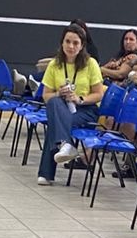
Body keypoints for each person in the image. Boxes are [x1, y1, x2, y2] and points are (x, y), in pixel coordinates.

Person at [37, 25, 105, 182]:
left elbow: (99, 94)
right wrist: (59, 93)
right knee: (54, 102)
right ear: (62, 43)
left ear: (82, 46)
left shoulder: (91, 63)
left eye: (75, 43)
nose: (71, 46)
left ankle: (46, 173)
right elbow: (46, 95)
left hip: (85, 109)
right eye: (67, 42)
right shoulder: (55, 64)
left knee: (54, 123)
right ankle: (67, 144)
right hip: (62, 106)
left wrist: (79, 99)